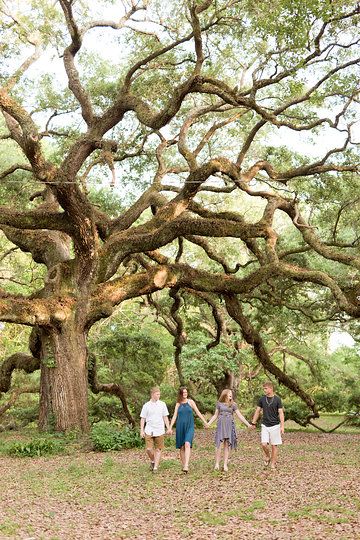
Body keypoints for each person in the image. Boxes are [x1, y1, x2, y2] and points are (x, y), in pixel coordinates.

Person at [207, 388, 252, 471]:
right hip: (221, 424)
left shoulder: (233, 404)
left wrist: (248, 424)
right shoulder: (219, 404)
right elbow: (215, 415)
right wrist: (208, 423)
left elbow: (240, 415)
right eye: (229, 393)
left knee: (227, 444)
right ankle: (217, 463)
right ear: (225, 394)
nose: (231, 394)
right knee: (219, 444)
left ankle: (225, 464)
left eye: (231, 393)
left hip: (229, 425)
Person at [168, 386, 207, 473]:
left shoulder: (191, 402)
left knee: (187, 444)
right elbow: (174, 416)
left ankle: (186, 465)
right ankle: (184, 465)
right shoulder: (178, 404)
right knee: (181, 447)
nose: (185, 394)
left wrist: (205, 422)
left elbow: (198, 412)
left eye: (186, 392)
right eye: (183, 393)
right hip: (180, 427)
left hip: (189, 426)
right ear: (180, 394)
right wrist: (170, 427)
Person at [251, 381, 285, 471]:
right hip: (265, 425)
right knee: (264, 444)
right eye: (264, 388)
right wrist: (253, 422)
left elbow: (281, 413)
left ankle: (273, 464)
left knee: (274, 445)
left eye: (265, 388)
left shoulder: (277, 399)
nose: (264, 390)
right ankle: (267, 455)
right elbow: (257, 411)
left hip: (275, 425)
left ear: (271, 388)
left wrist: (282, 426)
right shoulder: (262, 399)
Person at [140, 386, 170, 473]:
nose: (159, 396)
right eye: (157, 394)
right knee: (149, 449)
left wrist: (168, 428)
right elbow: (143, 418)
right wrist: (141, 430)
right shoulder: (146, 405)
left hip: (159, 429)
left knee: (158, 449)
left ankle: (155, 467)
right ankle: (153, 461)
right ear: (152, 394)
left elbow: (165, 417)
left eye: (159, 394)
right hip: (149, 429)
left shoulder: (162, 404)